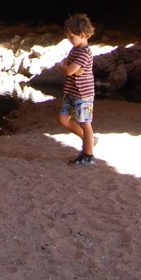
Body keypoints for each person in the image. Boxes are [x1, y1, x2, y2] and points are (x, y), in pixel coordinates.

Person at [56, 13, 96, 166]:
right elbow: (69, 65)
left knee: (86, 123)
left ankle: (88, 154)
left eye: (72, 37)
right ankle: (90, 141)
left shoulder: (84, 53)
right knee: (62, 119)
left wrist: (61, 66)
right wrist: (67, 66)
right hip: (71, 92)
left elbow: (68, 69)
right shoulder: (75, 49)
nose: (70, 40)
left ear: (83, 35)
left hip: (82, 95)